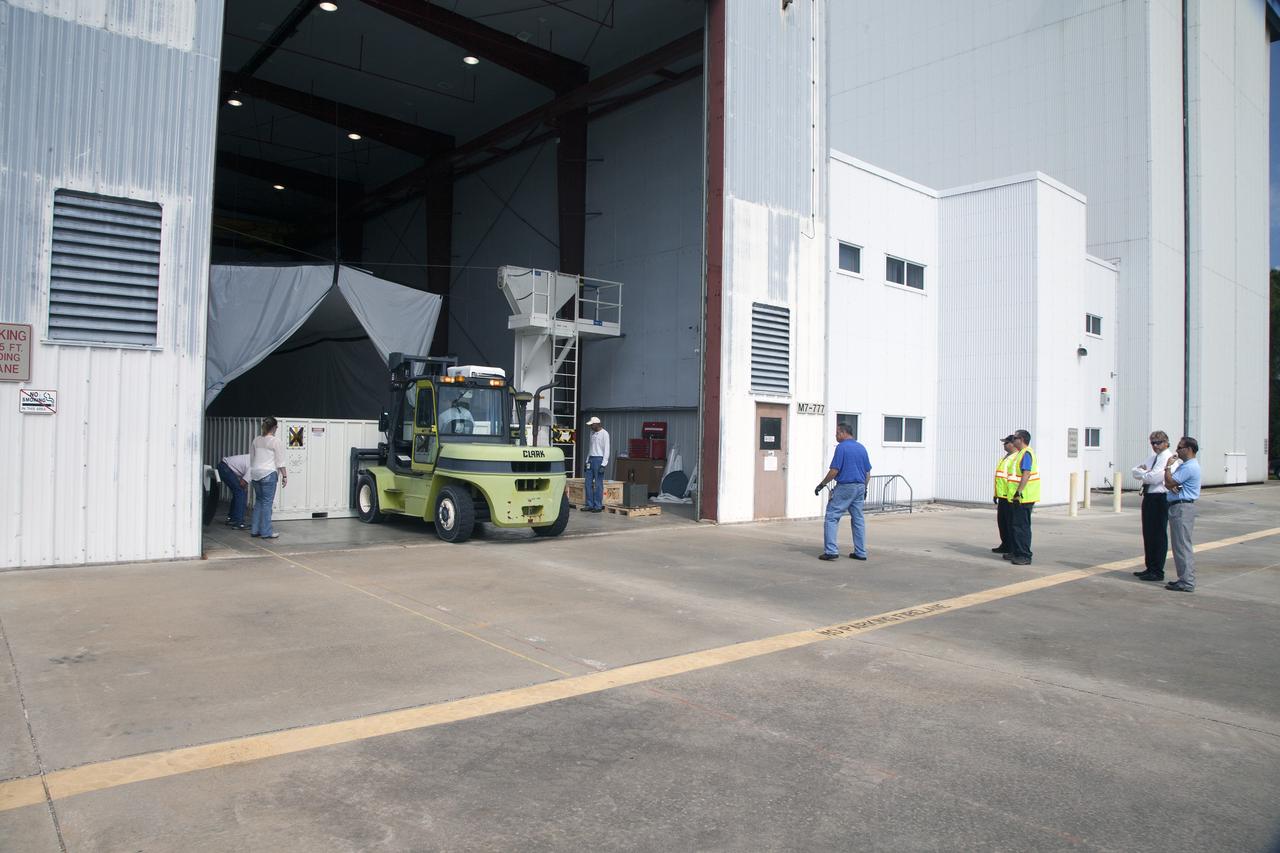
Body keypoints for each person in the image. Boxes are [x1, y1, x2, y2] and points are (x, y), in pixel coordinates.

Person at [815, 422, 872, 561]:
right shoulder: (861, 448)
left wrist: (822, 484)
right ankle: (861, 552)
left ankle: (831, 551)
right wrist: (865, 488)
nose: (836, 436)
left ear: (843, 433)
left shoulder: (841, 448)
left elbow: (834, 470)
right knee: (858, 519)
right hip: (860, 487)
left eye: (837, 433)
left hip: (845, 487)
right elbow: (867, 473)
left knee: (832, 516)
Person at [1131, 430, 1174, 582]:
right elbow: (1134, 471)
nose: (1155, 446)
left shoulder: (1167, 458)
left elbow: (1155, 478)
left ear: (1166, 443)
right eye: (1153, 443)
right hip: (1149, 497)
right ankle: (1150, 567)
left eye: (1158, 442)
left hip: (1160, 498)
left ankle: (1157, 570)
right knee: (1148, 533)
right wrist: (1145, 472)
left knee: (1158, 534)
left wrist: (1145, 473)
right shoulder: (1154, 458)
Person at [1163, 436, 1201, 592]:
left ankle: (1187, 581)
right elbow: (1170, 485)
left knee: (1182, 545)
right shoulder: (1187, 466)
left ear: (1189, 449)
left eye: (1180, 448)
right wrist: (1171, 483)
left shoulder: (1189, 467)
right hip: (1180, 506)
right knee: (1179, 545)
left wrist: (1168, 467)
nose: (1177, 451)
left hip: (1182, 507)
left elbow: (1169, 482)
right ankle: (1184, 578)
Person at [247, 417, 288, 540]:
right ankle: (266, 532)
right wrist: (285, 476)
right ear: (274, 428)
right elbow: (280, 462)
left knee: (259, 501)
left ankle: (255, 530)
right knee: (267, 503)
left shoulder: (256, 440)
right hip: (268, 474)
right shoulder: (276, 441)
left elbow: (252, 458)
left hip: (256, 473)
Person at [1006, 429, 1038, 566]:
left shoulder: (1026, 454)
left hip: (1024, 498)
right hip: (1017, 498)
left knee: (1021, 527)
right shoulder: (1020, 454)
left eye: (1015, 438)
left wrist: (1018, 492)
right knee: (1015, 526)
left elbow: (1026, 474)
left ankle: (1024, 555)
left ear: (1022, 439)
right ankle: (1016, 551)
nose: (1013, 440)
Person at [991, 435, 1018, 554]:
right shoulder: (1005, 458)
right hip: (1002, 495)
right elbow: (1000, 478)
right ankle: (1005, 544)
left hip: (1010, 496)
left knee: (1010, 523)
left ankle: (1012, 547)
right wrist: (996, 494)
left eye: (1006, 443)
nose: (1004, 445)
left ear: (1012, 444)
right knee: (1002, 522)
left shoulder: (1016, 458)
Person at [583, 416, 610, 513]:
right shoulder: (592, 433)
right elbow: (590, 448)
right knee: (588, 483)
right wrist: (587, 461)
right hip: (591, 458)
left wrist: (603, 464)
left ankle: (598, 506)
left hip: (599, 459)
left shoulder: (604, 434)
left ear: (597, 424)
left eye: (592, 425)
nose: (590, 426)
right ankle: (589, 505)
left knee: (598, 484)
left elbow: (607, 449)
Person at [217, 453, 250, 529]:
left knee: (239, 492)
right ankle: (239, 523)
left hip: (224, 466)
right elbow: (243, 483)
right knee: (240, 493)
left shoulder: (254, 458)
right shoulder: (255, 466)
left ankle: (233, 519)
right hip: (225, 467)